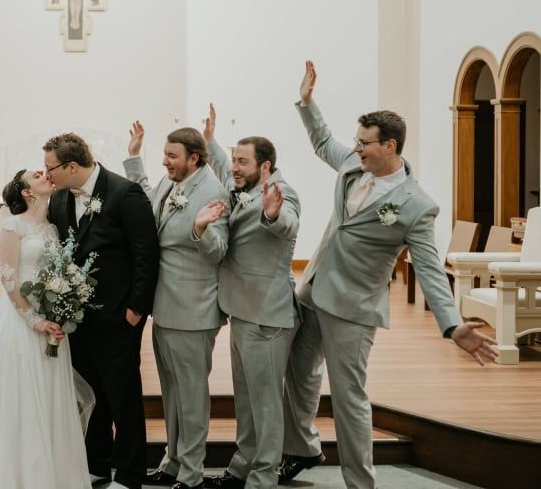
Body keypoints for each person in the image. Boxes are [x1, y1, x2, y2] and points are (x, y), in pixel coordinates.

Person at [280, 61, 500, 488]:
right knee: (299, 374)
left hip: (353, 309)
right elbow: (323, 141)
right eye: (357, 141)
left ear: (391, 146)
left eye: (365, 143)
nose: (356, 148)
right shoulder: (352, 165)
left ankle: (360, 482)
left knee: (349, 399)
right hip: (314, 289)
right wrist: (307, 102)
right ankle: (303, 448)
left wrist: (452, 324)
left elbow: (432, 269)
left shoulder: (416, 204)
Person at [0, 168, 94, 489]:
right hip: (20, 323)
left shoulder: (52, 228)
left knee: (49, 395)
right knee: (22, 396)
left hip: (51, 321)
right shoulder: (12, 225)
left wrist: (61, 310)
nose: (45, 174)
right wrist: (35, 320)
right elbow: (8, 278)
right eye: (36, 175)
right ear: (26, 192)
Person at [44, 132, 160, 489]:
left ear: (73, 166)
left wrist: (136, 310)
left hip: (118, 314)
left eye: (51, 169)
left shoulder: (125, 193)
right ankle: (96, 462)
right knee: (90, 392)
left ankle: (129, 472)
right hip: (78, 316)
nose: (47, 175)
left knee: (122, 394)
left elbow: (146, 254)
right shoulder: (61, 198)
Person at [198, 104, 301, 489]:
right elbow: (226, 168)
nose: (234, 168)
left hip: (267, 316)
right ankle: (242, 465)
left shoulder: (281, 194)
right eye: (234, 160)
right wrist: (210, 140)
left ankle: (262, 477)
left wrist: (273, 216)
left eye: (243, 162)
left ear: (266, 166)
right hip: (241, 311)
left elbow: (286, 223)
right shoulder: (242, 184)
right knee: (245, 398)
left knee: (266, 403)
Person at [123, 123, 229, 489]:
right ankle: (172, 462)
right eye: (164, 155)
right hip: (165, 306)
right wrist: (134, 156)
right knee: (171, 393)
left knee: (192, 396)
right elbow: (149, 198)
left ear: (194, 158)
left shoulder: (214, 191)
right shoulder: (172, 184)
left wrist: (200, 230)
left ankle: (192, 473)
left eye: (172, 156)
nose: (165, 162)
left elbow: (219, 250)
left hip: (194, 310)